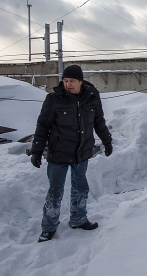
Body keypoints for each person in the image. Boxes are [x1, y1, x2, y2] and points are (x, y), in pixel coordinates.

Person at [30, 64, 113, 243]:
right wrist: (37, 150)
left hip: (81, 153)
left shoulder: (92, 96)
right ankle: (49, 227)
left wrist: (107, 140)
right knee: (55, 191)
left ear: (80, 81)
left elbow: (98, 121)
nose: (68, 84)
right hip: (58, 153)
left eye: (72, 81)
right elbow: (43, 125)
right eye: (65, 81)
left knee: (81, 188)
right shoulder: (54, 99)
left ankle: (78, 219)